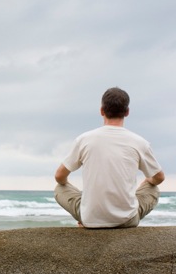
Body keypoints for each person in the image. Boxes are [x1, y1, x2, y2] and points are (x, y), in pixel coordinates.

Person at [54, 87, 165, 228]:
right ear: (127, 112)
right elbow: (159, 178)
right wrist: (148, 180)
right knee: (153, 188)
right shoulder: (140, 142)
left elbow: (59, 177)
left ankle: (89, 214)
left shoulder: (84, 139)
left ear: (102, 111)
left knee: (59, 188)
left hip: (90, 219)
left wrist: (79, 192)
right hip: (127, 221)